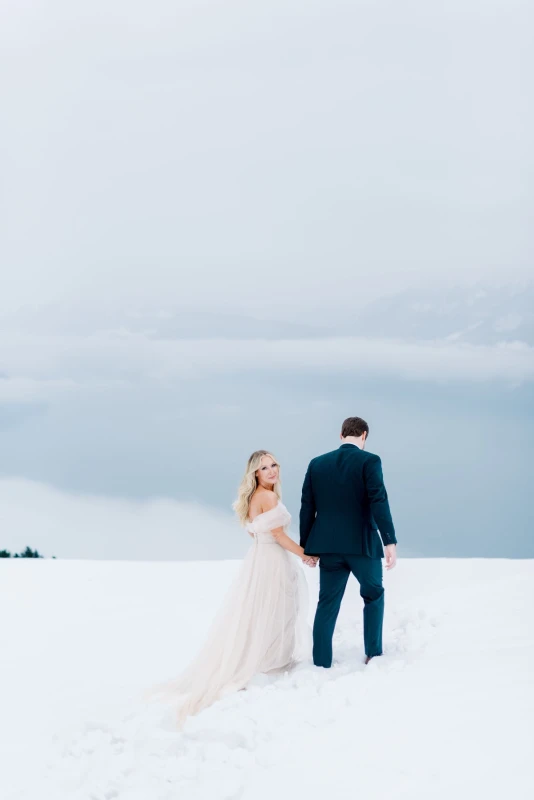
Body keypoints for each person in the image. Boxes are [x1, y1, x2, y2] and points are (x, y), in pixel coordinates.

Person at [151, 450, 313, 724]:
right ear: (255, 474)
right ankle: (269, 661)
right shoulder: (270, 497)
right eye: (265, 468)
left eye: (274, 465)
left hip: (259, 558)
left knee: (261, 609)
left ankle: (261, 656)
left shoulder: (253, 498)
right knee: (275, 608)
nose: (272, 471)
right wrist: (304, 554)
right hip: (272, 559)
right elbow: (278, 535)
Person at [300, 417, 397, 668]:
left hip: (328, 548)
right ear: (364, 435)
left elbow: (307, 507)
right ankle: (373, 654)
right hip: (362, 545)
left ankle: (321, 662)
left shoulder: (317, 464)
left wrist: (307, 548)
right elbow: (379, 500)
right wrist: (389, 541)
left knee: (327, 603)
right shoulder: (370, 461)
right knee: (373, 594)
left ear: (341, 434)